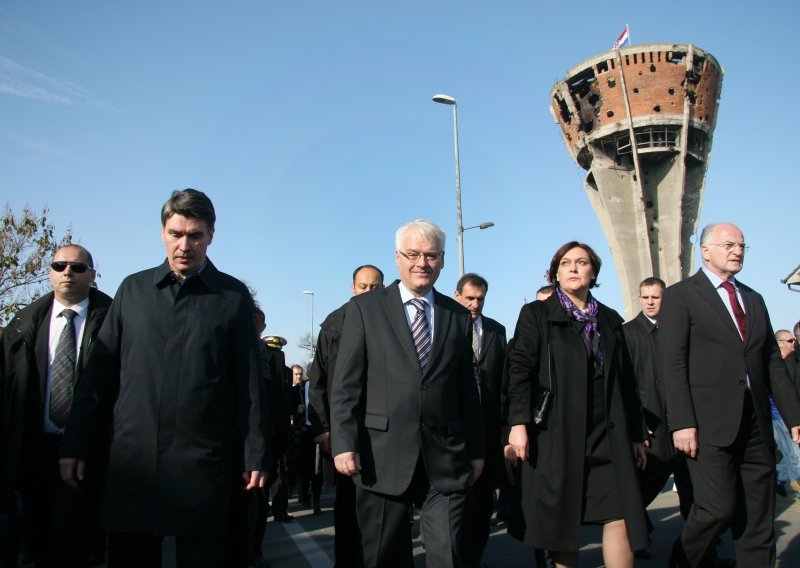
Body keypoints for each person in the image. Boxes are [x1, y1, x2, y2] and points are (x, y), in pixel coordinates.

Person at [59, 189, 271, 567]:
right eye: (176, 234)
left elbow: (250, 384)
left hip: (204, 465)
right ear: (162, 233)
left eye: (195, 235)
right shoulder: (133, 290)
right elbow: (98, 377)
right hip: (133, 464)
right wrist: (75, 444)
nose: (184, 245)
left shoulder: (232, 297)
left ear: (211, 236)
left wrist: (255, 451)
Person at [330, 219, 485, 567]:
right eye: (412, 254)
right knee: (385, 557)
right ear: (397, 258)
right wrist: (344, 443)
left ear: (443, 260)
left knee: (451, 556)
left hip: (445, 457)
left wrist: (476, 450)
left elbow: (466, 391)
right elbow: (346, 386)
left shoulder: (458, 316)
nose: (422, 263)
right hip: (380, 457)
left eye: (431, 255)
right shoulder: (364, 310)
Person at [659, 222, 800, 567]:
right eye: (728, 244)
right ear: (705, 250)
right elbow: (672, 363)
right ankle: (684, 560)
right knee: (717, 507)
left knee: (757, 515)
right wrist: (682, 422)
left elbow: (771, 362)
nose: (737, 251)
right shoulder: (682, 295)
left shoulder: (753, 298)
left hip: (755, 422)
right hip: (707, 425)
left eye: (742, 245)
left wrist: (795, 418)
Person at [506, 241, 648, 568]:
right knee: (562, 525)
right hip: (557, 432)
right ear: (555, 272)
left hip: (607, 432)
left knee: (621, 513)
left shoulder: (610, 320)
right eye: (566, 262)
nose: (573, 268)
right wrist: (518, 425)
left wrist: (637, 433)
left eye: (581, 262)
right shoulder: (537, 314)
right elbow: (519, 371)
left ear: (593, 272)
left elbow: (627, 381)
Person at [1, 245, 112, 567]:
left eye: (77, 268)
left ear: (92, 276)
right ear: (50, 272)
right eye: (60, 265)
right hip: (32, 452)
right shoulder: (21, 326)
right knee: (36, 540)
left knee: (75, 544)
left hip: (90, 453)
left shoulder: (113, 322)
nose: (67, 272)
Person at [308, 264, 384, 567]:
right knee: (349, 507)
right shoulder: (334, 324)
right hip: (346, 431)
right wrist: (324, 429)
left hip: (385, 430)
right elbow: (319, 382)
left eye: (374, 287)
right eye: (363, 287)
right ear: (353, 288)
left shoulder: (394, 319)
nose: (368, 292)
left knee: (385, 510)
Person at [623, 277, 695, 558]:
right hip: (651, 427)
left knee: (693, 490)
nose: (650, 302)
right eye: (645, 297)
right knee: (643, 487)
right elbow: (626, 385)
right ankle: (637, 539)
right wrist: (636, 425)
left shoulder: (678, 330)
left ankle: (699, 548)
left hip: (683, 421)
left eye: (656, 297)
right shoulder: (628, 333)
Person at [453, 273, 507, 568]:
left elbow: (503, 381)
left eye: (480, 299)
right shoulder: (445, 327)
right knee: (457, 500)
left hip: (487, 429)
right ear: (458, 295)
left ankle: (475, 556)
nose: (474, 304)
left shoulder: (498, 331)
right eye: (469, 298)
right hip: (455, 428)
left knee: (483, 499)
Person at [772, 330, 800, 499]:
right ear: (780, 343)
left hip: (788, 415)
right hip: (780, 416)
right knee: (795, 454)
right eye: (789, 340)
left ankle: (778, 479)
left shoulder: (791, 361)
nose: (793, 343)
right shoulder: (777, 364)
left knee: (788, 453)